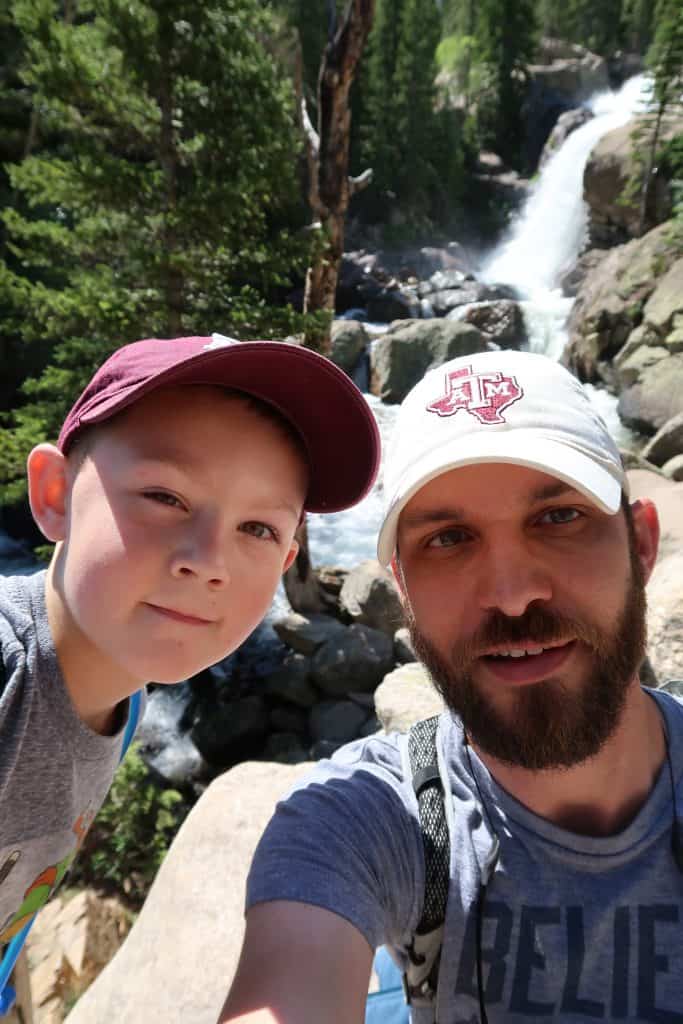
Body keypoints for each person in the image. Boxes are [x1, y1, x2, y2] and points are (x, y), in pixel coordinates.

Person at [219, 349, 683, 1024]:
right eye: (448, 538)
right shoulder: (364, 820)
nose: (513, 594)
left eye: (558, 518)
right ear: (402, 590)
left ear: (640, 545)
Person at [0, 333, 380, 951]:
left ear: (286, 560)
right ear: (54, 494)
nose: (209, 563)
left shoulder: (124, 707)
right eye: (165, 496)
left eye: (256, 527)